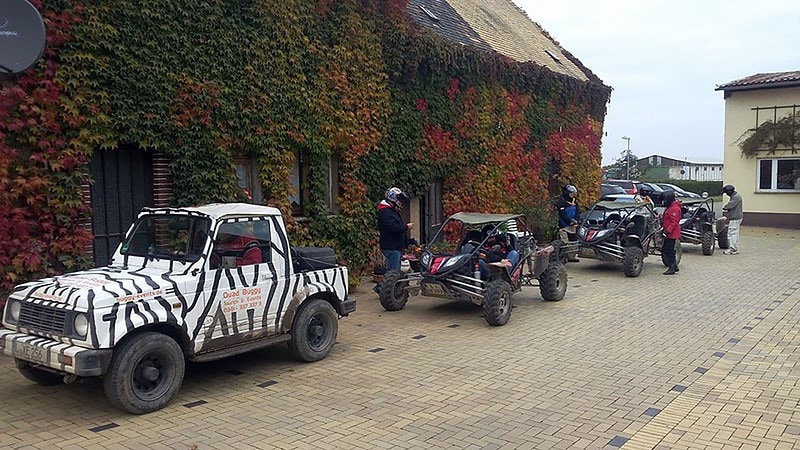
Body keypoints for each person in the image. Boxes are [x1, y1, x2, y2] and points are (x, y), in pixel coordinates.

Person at [375, 187, 413, 294]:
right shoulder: (385, 212)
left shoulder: (391, 210)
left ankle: (381, 288)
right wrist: (406, 227)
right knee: (393, 272)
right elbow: (393, 228)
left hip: (394, 245)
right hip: (391, 246)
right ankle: (386, 291)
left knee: (392, 270)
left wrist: (408, 241)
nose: (400, 202)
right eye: (399, 199)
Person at [556, 185, 580, 262]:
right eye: (571, 193)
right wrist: (570, 221)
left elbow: (577, 212)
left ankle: (571, 257)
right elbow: (562, 215)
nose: (573, 195)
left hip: (573, 226)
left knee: (573, 242)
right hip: (564, 226)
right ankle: (563, 257)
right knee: (564, 242)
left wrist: (576, 220)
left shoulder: (574, 202)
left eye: (574, 194)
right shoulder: (562, 202)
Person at [660, 190, 681, 275]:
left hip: (671, 233)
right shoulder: (670, 207)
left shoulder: (674, 208)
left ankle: (672, 267)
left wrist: (667, 231)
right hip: (669, 232)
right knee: (667, 249)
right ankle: (674, 266)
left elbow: (674, 222)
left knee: (668, 250)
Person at [721, 184, 742, 255]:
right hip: (735, 217)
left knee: (732, 233)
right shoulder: (734, 196)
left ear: (729, 191)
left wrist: (725, 207)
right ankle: (735, 248)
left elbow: (730, 206)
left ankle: (733, 249)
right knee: (734, 233)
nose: (726, 194)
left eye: (726, 193)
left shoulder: (736, 197)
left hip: (735, 218)